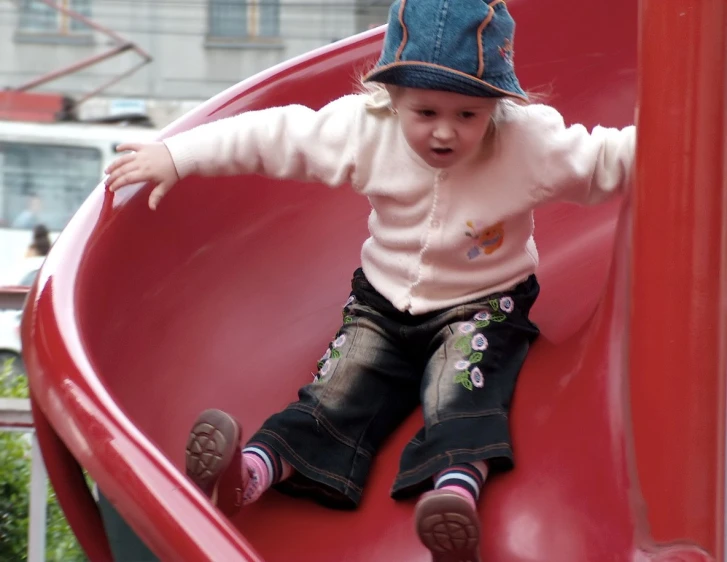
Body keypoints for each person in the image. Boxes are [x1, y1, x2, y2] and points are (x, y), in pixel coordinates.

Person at [104, 0, 635, 559]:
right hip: (382, 302)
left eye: (468, 115)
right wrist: (176, 154)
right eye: (425, 112)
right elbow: (275, 136)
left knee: (461, 390)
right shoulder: (365, 130)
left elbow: (607, 158)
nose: (445, 133)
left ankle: (454, 498)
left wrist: (691, 135)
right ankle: (252, 472)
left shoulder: (530, 145)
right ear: (390, 96)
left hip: (483, 304)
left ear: (498, 107)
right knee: (337, 392)